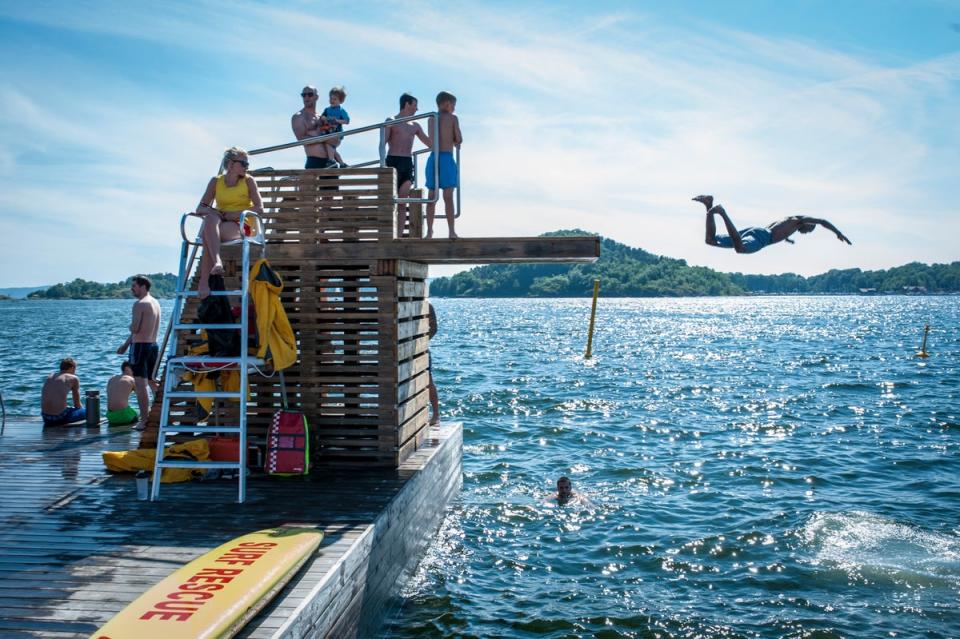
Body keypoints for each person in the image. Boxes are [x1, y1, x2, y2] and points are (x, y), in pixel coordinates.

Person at [193, 147, 264, 298]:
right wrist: (216, 213)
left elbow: (259, 208)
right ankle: (217, 262)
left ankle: (204, 281)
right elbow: (201, 207)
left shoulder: (249, 181)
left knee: (208, 233)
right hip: (220, 223)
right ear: (231, 164)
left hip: (242, 224)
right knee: (210, 220)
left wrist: (233, 214)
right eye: (243, 163)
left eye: (247, 164)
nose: (247, 167)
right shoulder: (215, 182)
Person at [694, 195, 852, 254]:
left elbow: (779, 232)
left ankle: (709, 205)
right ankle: (722, 212)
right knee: (740, 248)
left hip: (756, 231)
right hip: (763, 237)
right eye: (811, 229)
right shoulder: (800, 220)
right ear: (808, 224)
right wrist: (838, 232)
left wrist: (787, 239)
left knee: (711, 240)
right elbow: (823, 221)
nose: (809, 231)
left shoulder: (789, 222)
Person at [117, 275, 162, 431]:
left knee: (140, 385)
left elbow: (135, 329)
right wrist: (125, 345)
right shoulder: (155, 303)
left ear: (143, 286)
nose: (132, 289)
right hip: (153, 346)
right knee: (152, 381)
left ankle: (145, 420)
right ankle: (162, 412)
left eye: (134, 286)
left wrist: (130, 327)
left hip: (140, 348)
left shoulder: (139, 305)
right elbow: (140, 330)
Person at [385, 93, 432, 237]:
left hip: (407, 162)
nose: (417, 109)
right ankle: (389, 234)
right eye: (415, 105)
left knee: (402, 201)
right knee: (390, 201)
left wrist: (446, 139)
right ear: (407, 104)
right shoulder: (391, 120)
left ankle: (399, 236)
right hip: (392, 161)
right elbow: (382, 143)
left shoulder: (415, 126)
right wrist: (382, 164)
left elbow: (430, 143)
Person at [425, 91, 462, 240]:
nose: (454, 108)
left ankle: (429, 232)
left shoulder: (431, 118)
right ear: (447, 104)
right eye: (453, 105)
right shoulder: (453, 118)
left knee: (431, 197)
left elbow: (432, 139)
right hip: (446, 157)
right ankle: (451, 231)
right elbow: (458, 139)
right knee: (448, 197)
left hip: (434, 157)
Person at [291, 85, 336, 169]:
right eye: (303, 95)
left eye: (310, 94)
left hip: (331, 161)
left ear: (316, 97)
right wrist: (324, 138)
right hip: (314, 161)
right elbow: (301, 139)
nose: (306, 97)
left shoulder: (322, 117)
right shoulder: (298, 117)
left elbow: (335, 141)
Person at [41, 358, 85, 426]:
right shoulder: (73, 378)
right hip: (59, 418)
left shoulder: (50, 376)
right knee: (89, 412)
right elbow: (77, 404)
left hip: (45, 417)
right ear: (72, 368)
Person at [320, 86, 350, 167]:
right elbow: (322, 117)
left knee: (328, 145)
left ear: (341, 101)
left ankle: (331, 160)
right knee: (332, 148)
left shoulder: (341, 110)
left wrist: (337, 121)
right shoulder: (327, 109)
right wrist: (325, 118)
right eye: (331, 98)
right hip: (328, 131)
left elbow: (347, 120)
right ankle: (342, 163)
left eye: (335, 99)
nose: (332, 100)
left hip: (337, 133)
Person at [106, 361, 138, 426]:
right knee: (141, 412)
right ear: (129, 369)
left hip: (110, 417)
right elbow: (141, 397)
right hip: (125, 417)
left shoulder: (112, 378)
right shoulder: (131, 380)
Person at [427, 302, 440, 425]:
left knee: (428, 380)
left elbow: (434, 328)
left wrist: (422, 340)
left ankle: (436, 414)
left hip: (422, 349)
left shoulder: (428, 305)